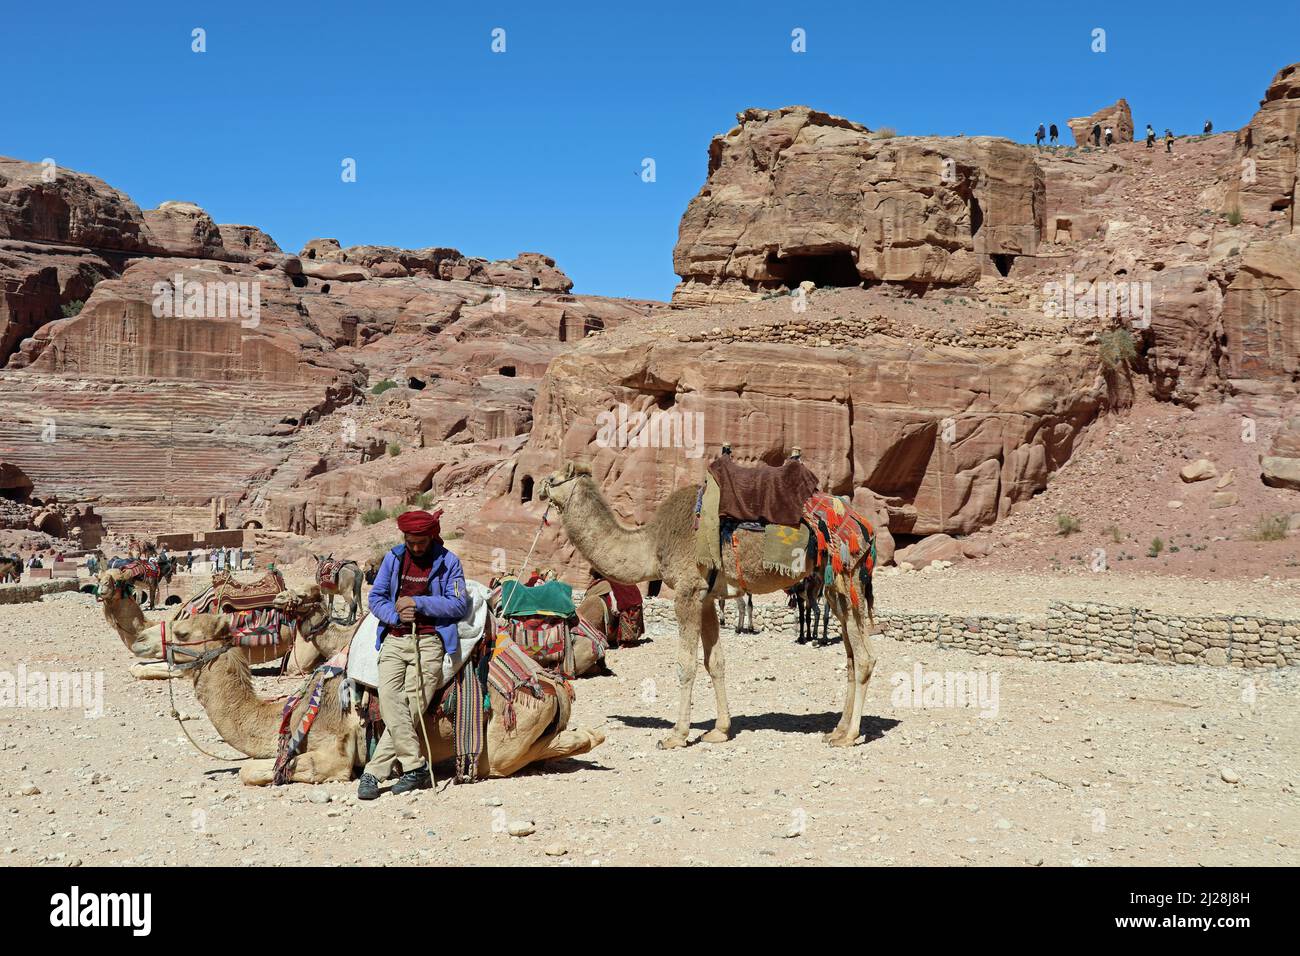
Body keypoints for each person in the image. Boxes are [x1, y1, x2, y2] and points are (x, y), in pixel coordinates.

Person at [357, 509, 468, 800]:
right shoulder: (394, 559)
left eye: (421, 542)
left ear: (432, 536)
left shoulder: (448, 562)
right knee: (392, 702)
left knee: (413, 705)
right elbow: (376, 598)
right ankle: (415, 766)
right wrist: (394, 615)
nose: (416, 548)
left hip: (430, 640)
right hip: (394, 639)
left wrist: (418, 603)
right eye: (411, 542)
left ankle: (373, 773)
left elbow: (458, 605)